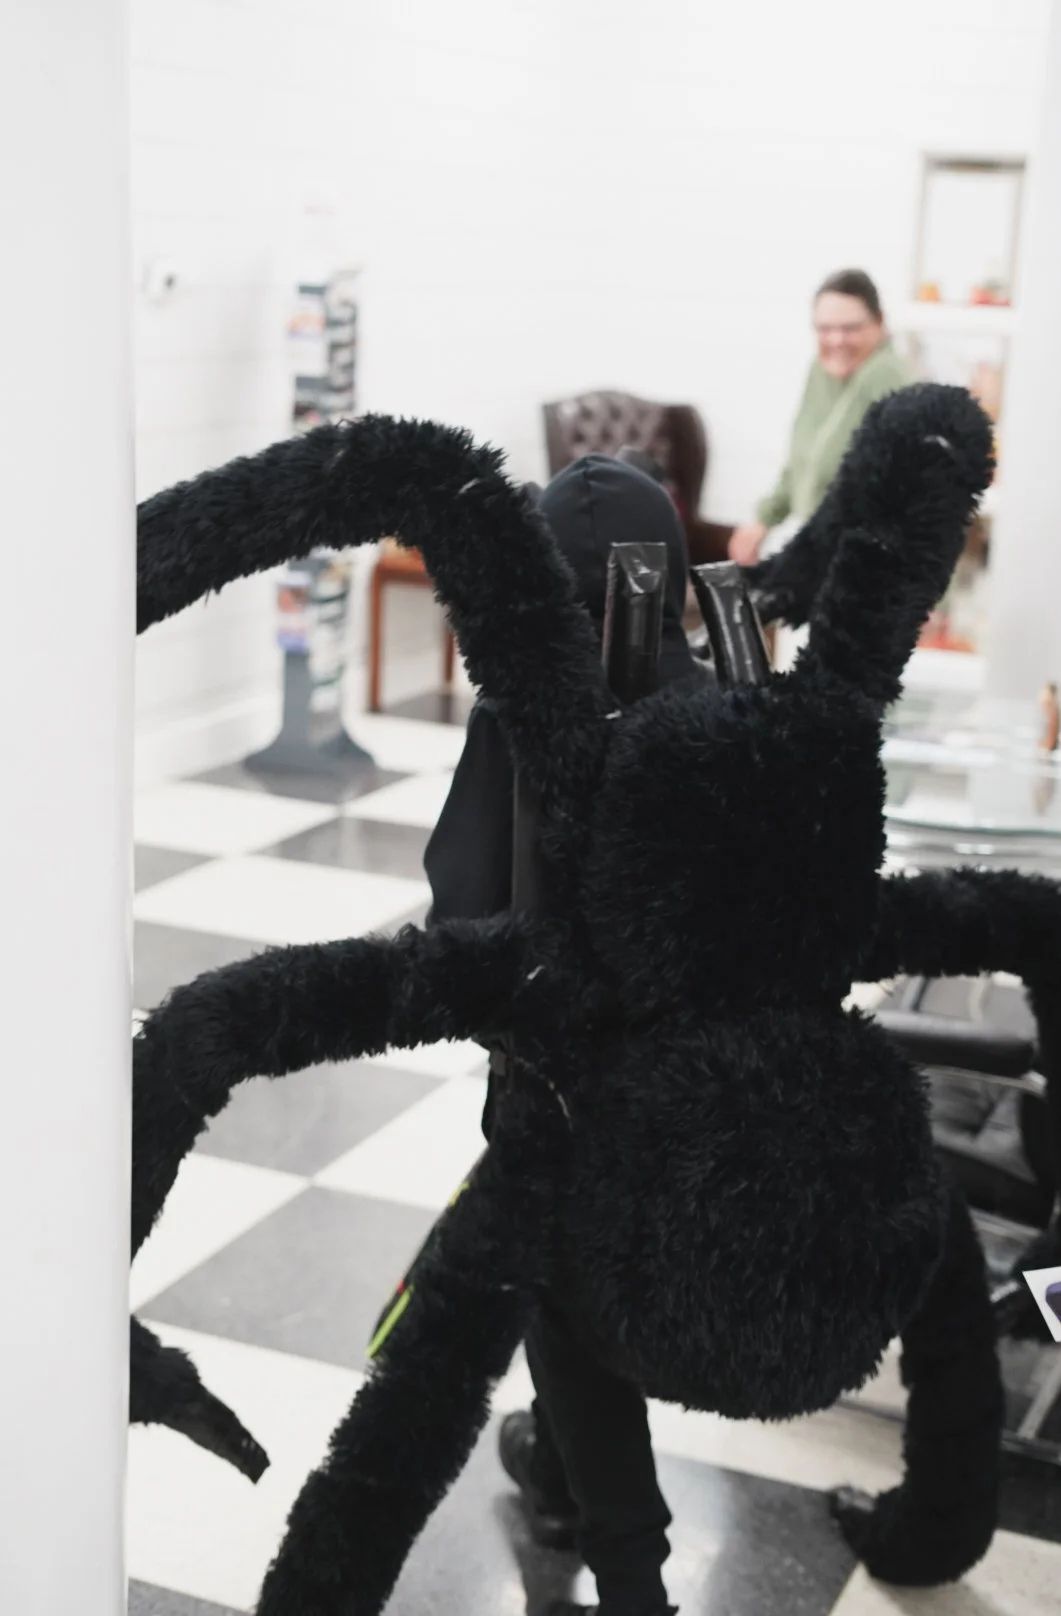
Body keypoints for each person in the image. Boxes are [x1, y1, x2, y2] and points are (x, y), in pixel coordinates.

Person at [424, 453, 701, 1616]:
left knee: (561, 1296)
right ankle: (563, 1476)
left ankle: (630, 1565)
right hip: (699, 1080)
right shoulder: (723, 698)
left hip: (550, 1079)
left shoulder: (518, 713)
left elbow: (463, 900)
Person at [728, 268, 911, 570]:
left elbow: (920, 491)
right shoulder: (822, 369)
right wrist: (764, 519)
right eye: (825, 329)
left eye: (851, 328)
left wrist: (929, 597)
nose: (837, 340)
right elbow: (802, 461)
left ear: (879, 323)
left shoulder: (886, 377)